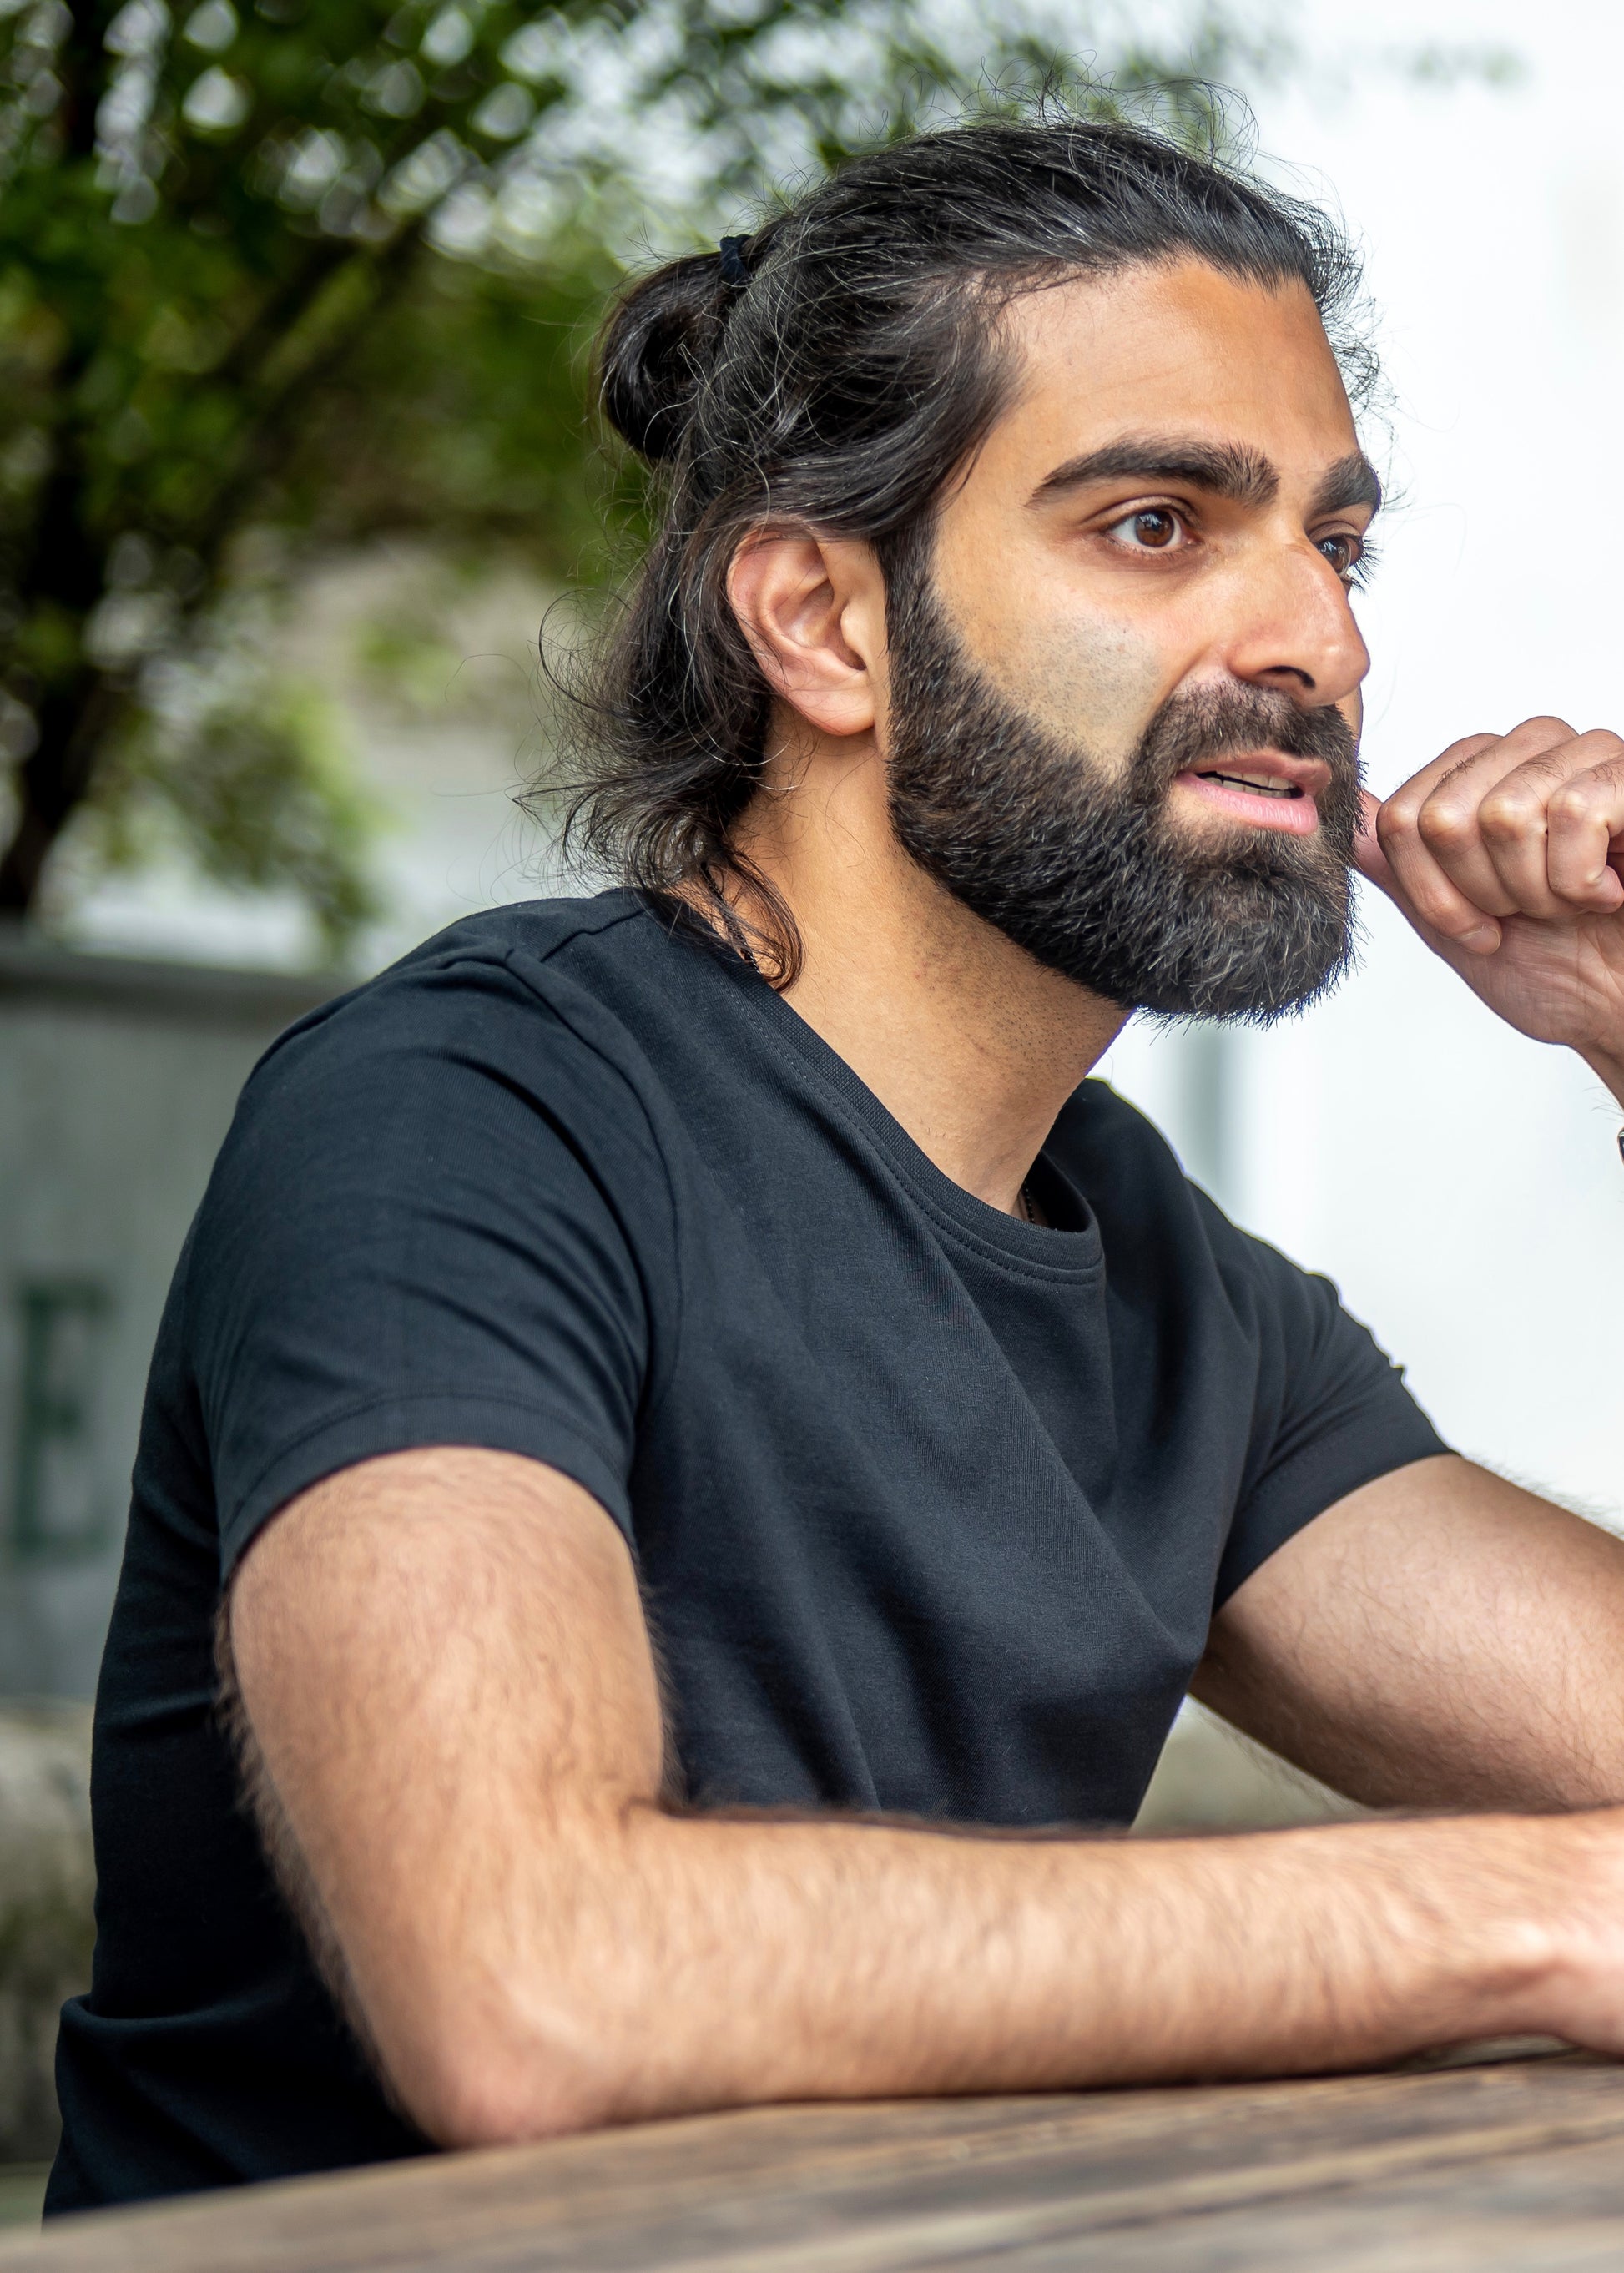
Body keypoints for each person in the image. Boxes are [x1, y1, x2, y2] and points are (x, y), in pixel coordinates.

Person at [48, 111, 1624, 2215]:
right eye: (1157, 523)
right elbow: (536, 1980)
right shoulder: (467, 1116)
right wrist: (1525, 1919)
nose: (1314, 644)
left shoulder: (1171, 1294)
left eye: (1333, 544)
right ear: (822, 622)